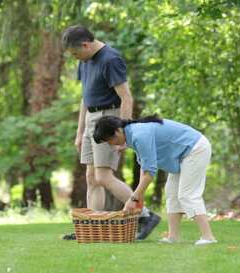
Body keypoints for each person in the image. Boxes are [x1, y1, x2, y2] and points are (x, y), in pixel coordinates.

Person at [61, 25, 160, 240]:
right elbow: (85, 98)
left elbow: (126, 97)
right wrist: (79, 132)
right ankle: (93, 226)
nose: (76, 58)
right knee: (91, 178)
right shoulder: (85, 61)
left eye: (76, 53)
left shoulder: (110, 59)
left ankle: (146, 214)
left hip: (108, 120)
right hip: (90, 119)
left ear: (86, 45)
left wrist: (124, 131)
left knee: (103, 176)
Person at [93, 115, 217, 245]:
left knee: (187, 195)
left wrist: (133, 199)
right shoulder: (133, 134)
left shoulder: (139, 135)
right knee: (171, 193)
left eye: (109, 140)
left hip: (195, 149)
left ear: (118, 131)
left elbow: (150, 172)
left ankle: (208, 237)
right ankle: (173, 237)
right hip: (183, 155)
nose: (111, 144)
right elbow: (145, 166)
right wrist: (139, 196)